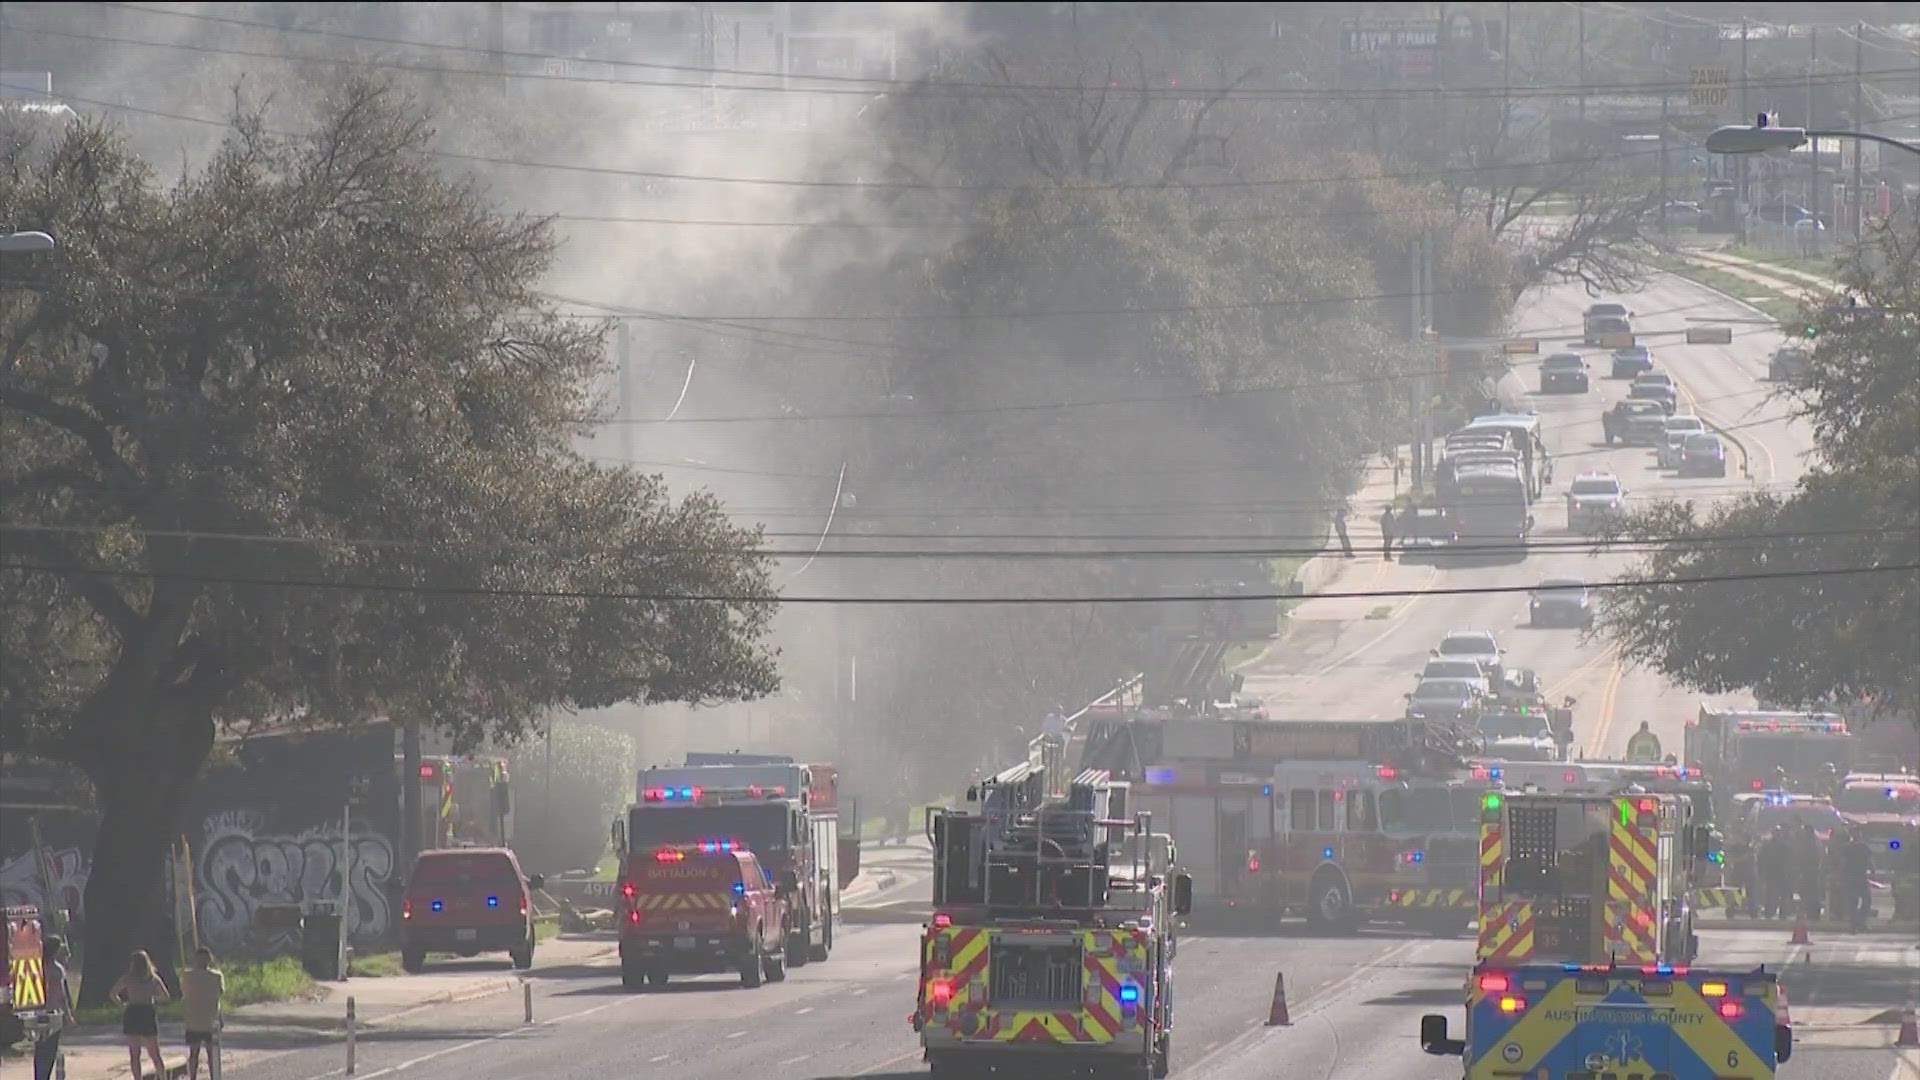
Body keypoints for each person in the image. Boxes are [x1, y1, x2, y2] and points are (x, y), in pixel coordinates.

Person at [110, 949, 171, 1080]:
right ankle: (162, 1077)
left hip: (132, 1011)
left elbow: (113, 993)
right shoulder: (153, 979)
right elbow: (166, 996)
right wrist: (153, 997)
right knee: (154, 1053)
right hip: (147, 1011)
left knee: (135, 1053)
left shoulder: (128, 978)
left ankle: (137, 1078)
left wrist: (122, 1004)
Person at [34, 935, 74, 1080]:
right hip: (53, 1013)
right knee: (50, 1049)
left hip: (37, 1012)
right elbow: (61, 995)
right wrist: (67, 1015)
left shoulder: (36, 967)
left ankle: (39, 1076)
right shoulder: (57, 969)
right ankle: (45, 1076)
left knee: (39, 1048)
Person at [183, 946, 225, 1080]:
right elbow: (220, 993)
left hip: (193, 1020)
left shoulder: (187, 975)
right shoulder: (217, 976)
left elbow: (183, 992)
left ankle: (193, 1077)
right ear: (210, 959)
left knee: (193, 1053)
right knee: (211, 1054)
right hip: (211, 1020)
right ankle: (214, 1077)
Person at [1837, 828, 1873, 930]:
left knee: (1863, 900)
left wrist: (1872, 871)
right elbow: (1842, 862)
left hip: (1858, 876)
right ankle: (1856, 922)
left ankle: (1858, 921)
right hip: (1853, 876)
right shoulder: (1848, 847)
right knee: (1856, 900)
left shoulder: (1862, 847)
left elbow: (1869, 860)